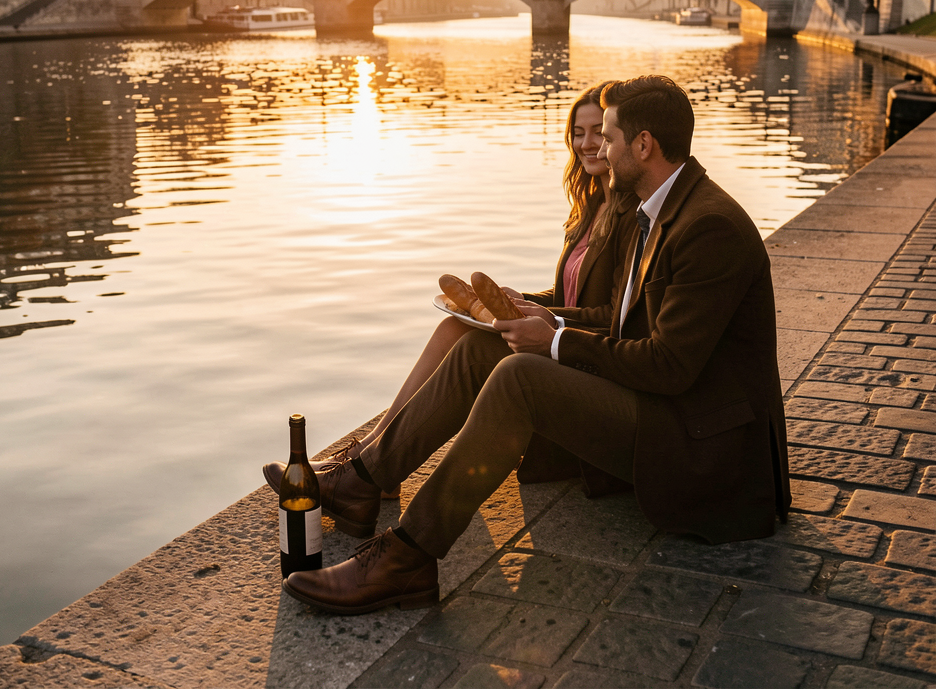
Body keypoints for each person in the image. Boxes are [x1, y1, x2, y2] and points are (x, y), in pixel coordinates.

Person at [279, 74, 790, 615]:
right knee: (481, 349)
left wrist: (556, 343)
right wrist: (546, 316)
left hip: (702, 446)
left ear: (644, 146)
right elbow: (625, 327)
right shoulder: (658, 209)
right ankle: (363, 481)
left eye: (610, 138)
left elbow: (669, 366)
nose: (601, 151)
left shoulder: (709, 227)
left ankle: (409, 556)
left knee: (520, 376)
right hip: (667, 410)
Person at [264, 83, 638, 517]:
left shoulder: (631, 215)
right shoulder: (592, 207)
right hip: (562, 340)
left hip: (581, 364)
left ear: (623, 139)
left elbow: (615, 315)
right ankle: (370, 459)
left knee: (472, 348)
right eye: (578, 132)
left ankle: (367, 468)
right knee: (455, 324)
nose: (588, 143)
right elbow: (573, 292)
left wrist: (543, 314)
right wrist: (524, 299)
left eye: (600, 133)